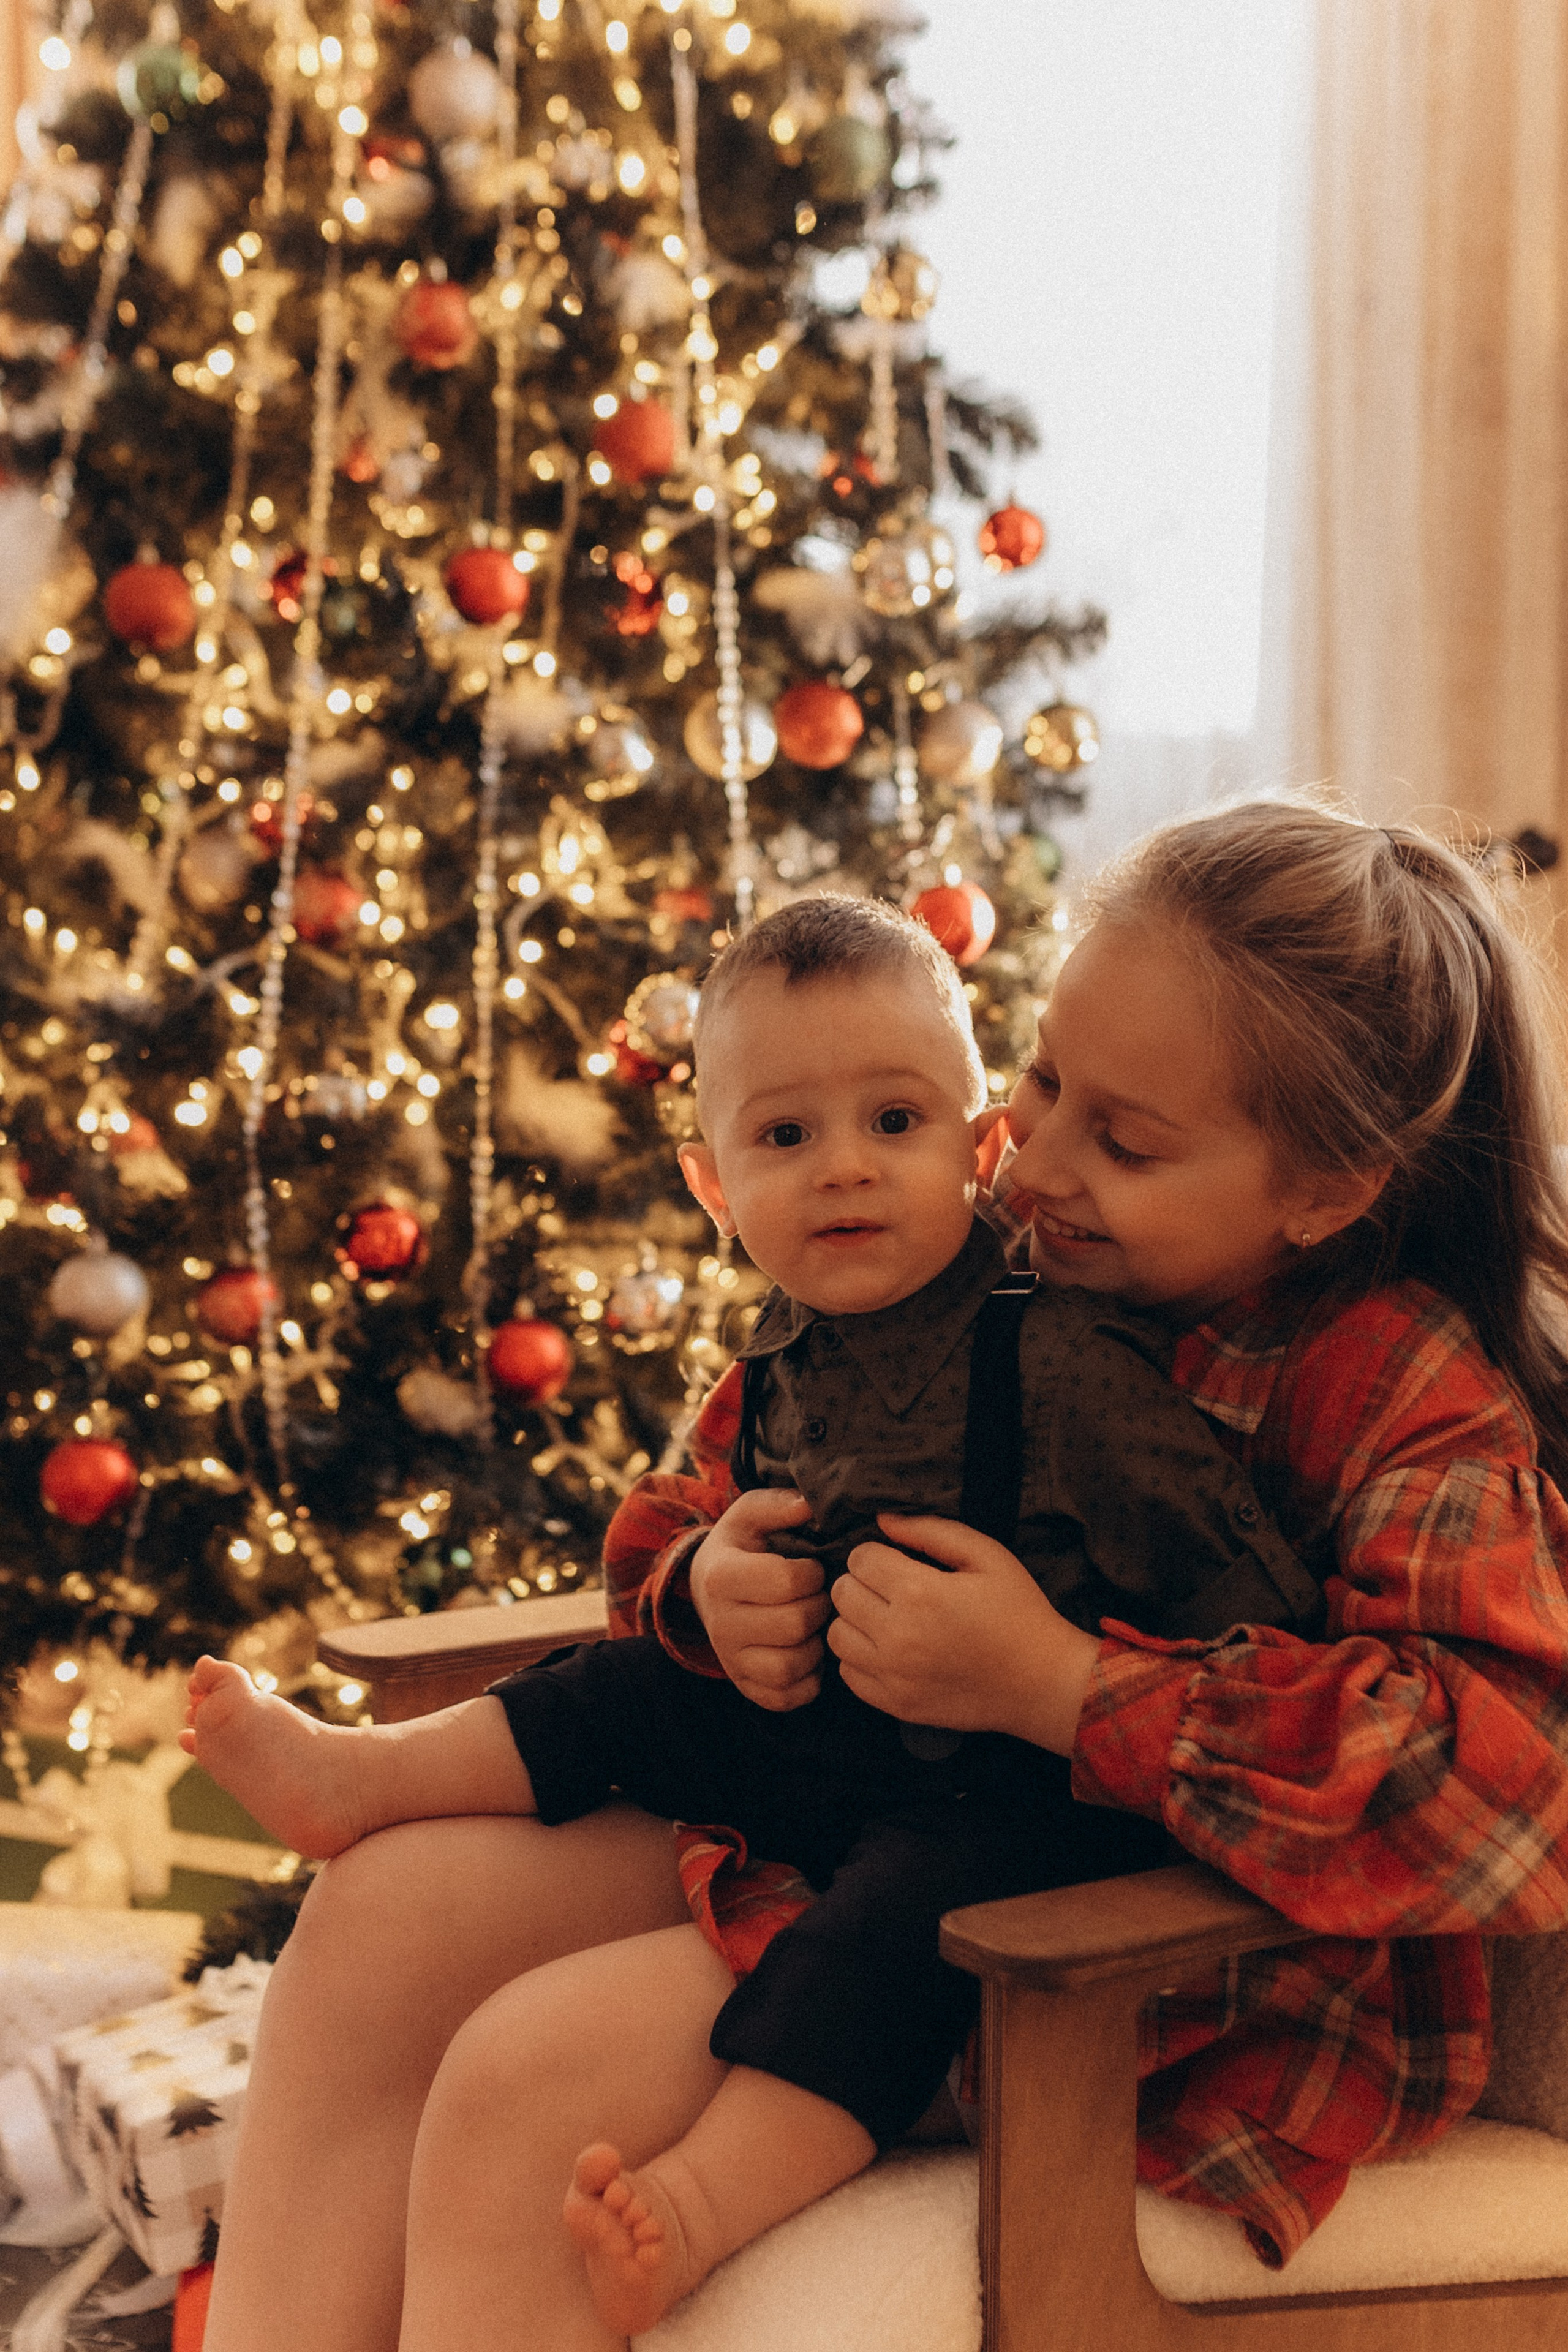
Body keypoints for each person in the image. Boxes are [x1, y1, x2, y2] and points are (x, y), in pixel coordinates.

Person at [192, 802, 1568, 2352]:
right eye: (1044, 1078)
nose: (1031, 1159)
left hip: (1126, 1949)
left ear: (1326, 1188)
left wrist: (1061, 1688)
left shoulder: (1398, 1389)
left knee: (534, 2076)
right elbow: (703, 1486)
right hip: (845, 1800)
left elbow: (1498, 1792)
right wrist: (702, 1580)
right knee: (382, 1917)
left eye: (1120, 1139)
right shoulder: (991, 1256)